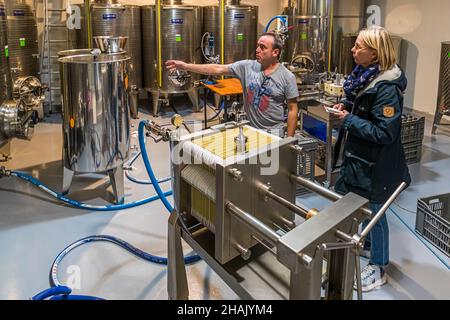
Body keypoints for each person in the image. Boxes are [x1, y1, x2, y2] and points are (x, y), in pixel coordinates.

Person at [332, 26, 411, 292]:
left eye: (358, 47)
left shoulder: (387, 88)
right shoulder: (365, 77)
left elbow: (385, 132)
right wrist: (347, 105)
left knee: (376, 214)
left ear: (374, 53)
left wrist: (348, 120)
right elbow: (363, 107)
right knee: (363, 208)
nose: (353, 50)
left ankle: (379, 268)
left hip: (378, 166)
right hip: (360, 159)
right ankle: (366, 247)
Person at [165, 33, 299, 137]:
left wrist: (290, 139)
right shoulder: (247, 66)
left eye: (263, 47)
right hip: (250, 130)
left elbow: (293, 109)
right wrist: (185, 66)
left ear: (275, 52)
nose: (257, 50)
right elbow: (217, 68)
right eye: (258, 45)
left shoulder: (287, 77)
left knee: (271, 171)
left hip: (274, 133)